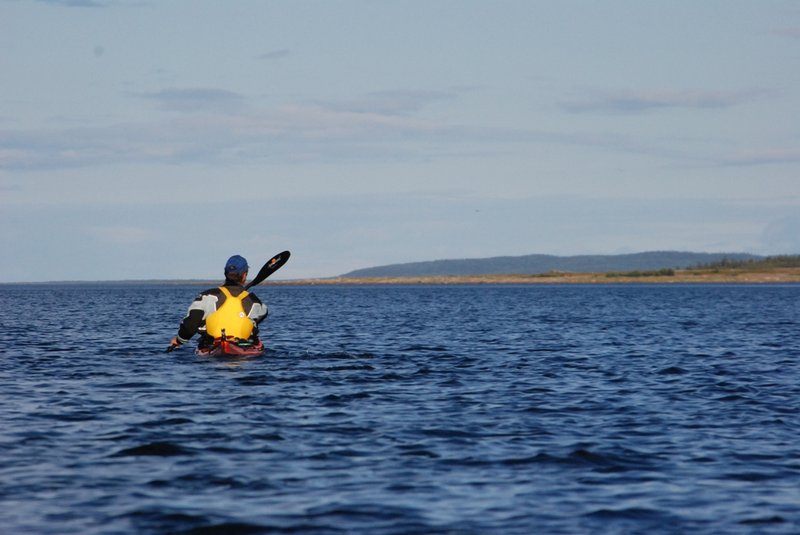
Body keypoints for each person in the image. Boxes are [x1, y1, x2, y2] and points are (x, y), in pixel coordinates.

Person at [169, 255, 268, 351]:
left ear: (225, 273)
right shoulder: (254, 302)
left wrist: (179, 340)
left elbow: (191, 324)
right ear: (244, 275)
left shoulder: (206, 296)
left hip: (211, 347)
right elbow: (264, 312)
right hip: (242, 349)